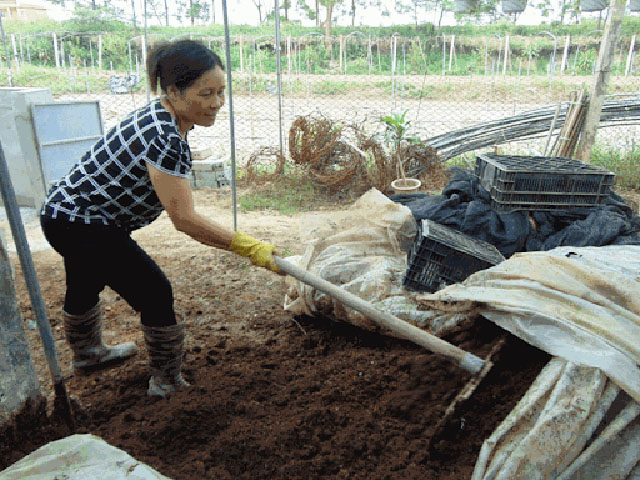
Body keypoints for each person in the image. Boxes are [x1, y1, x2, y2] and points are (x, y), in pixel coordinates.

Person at [39, 39, 281, 397]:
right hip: (84, 221)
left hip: (62, 212)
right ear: (174, 91)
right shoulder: (165, 136)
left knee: (85, 281)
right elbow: (184, 219)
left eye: (221, 91)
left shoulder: (162, 114)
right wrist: (248, 246)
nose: (217, 103)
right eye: (206, 93)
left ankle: (88, 355)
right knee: (154, 293)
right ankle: (166, 382)